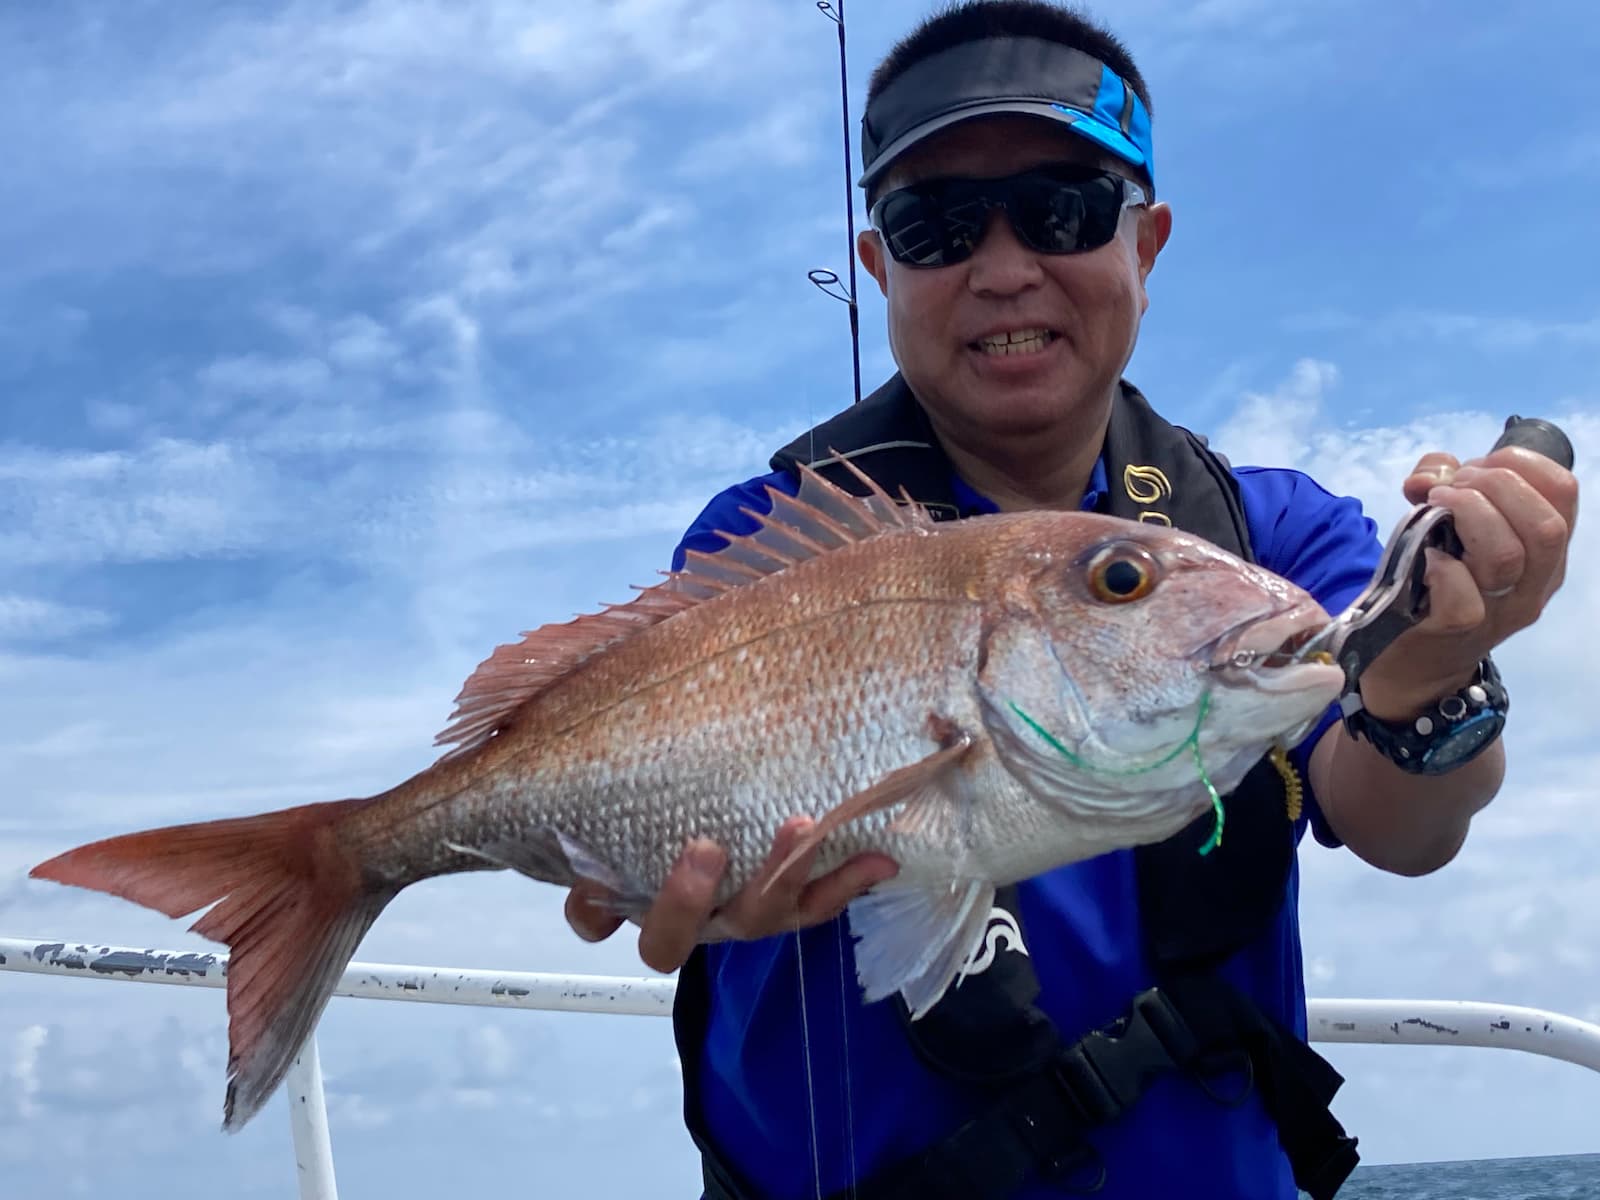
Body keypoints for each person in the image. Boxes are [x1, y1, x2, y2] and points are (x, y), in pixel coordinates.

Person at [565, 3, 1580, 1197]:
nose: (1002, 269)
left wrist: (1430, 674)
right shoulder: (767, 543)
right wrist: (628, 858)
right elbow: (634, 796)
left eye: (1063, 209)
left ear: (1144, 247)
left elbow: (1409, 829)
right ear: (879, 267)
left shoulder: (1273, 538)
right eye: (934, 224)